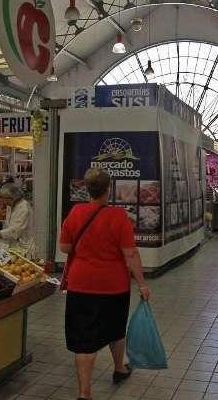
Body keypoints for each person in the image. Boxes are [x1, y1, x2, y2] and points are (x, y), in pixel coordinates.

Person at [60, 168, 150, 400]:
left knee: (84, 340)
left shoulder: (76, 212)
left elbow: (65, 248)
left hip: (80, 285)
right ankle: (119, 369)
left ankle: (84, 393)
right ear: (108, 190)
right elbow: (130, 254)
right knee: (115, 329)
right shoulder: (119, 216)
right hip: (114, 287)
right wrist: (142, 284)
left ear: (87, 189)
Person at [0, 183, 36, 259]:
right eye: (3, 198)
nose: (4, 201)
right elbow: (9, 225)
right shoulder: (11, 206)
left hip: (24, 246)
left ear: (13, 197)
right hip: (13, 245)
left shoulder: (24, 208)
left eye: (6, 198)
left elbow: (16, 229)